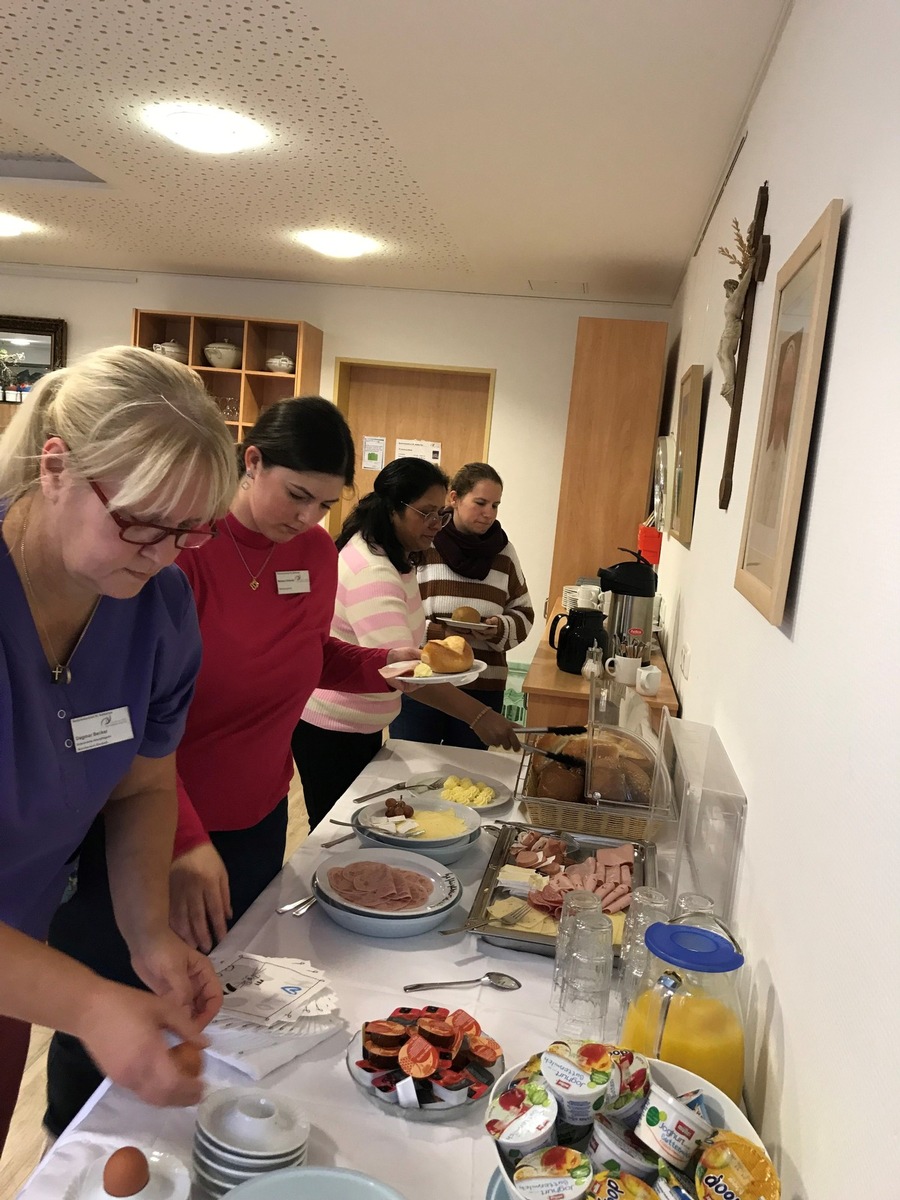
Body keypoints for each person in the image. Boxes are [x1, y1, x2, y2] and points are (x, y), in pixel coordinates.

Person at [43, 397, 419, 1135]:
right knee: (111, 987)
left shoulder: (313, 554)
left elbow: (310, 657)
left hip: (255, 816)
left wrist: (384, 667)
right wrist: (182, 835)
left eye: (326, 503)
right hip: (151, 819)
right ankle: (74, 1145)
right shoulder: (181, 548)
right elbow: (138, 713)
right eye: (296, 494)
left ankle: (195, 1132)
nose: (309, 517)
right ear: (251, 463)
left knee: (220, 984)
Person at [0, 346, 237, 1155]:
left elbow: (141, 786)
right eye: (139, 521)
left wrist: (146, 935)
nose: (163, 553)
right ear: (57, 466)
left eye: (189, 532)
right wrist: (92, 1003)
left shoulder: (156, 607)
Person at [294, 457, 521, 830]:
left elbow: (404, 650)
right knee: (338, 833)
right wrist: (479, 715)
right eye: (427, 513)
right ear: (394, 508)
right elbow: (409, 676)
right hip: (333, 731)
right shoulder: (374, 572)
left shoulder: (396, 558)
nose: (436, 524)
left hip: (359, 726)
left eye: (441, 514)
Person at [390, 462, 534, 748]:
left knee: (469, 776)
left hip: (483, 685)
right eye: (480, 502)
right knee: (415, 767)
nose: (489, 513)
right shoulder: (425, 543)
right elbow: (400, 610)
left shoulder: (504, 552)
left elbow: (524, 613)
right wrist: (437, 635)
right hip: (425, 682)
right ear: (454, 498)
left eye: (495, 505)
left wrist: (497, 629)